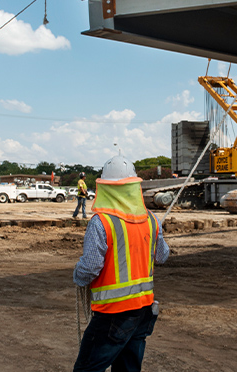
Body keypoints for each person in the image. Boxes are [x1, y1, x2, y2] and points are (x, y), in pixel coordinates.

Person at [73, 154, 170, 372]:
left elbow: (89, 268)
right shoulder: (151, 219)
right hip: (143, 311)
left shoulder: (101, 222)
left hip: (113, 314)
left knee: (86, 368)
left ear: (105, 188)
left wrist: (77, 276)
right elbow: (162, 256)